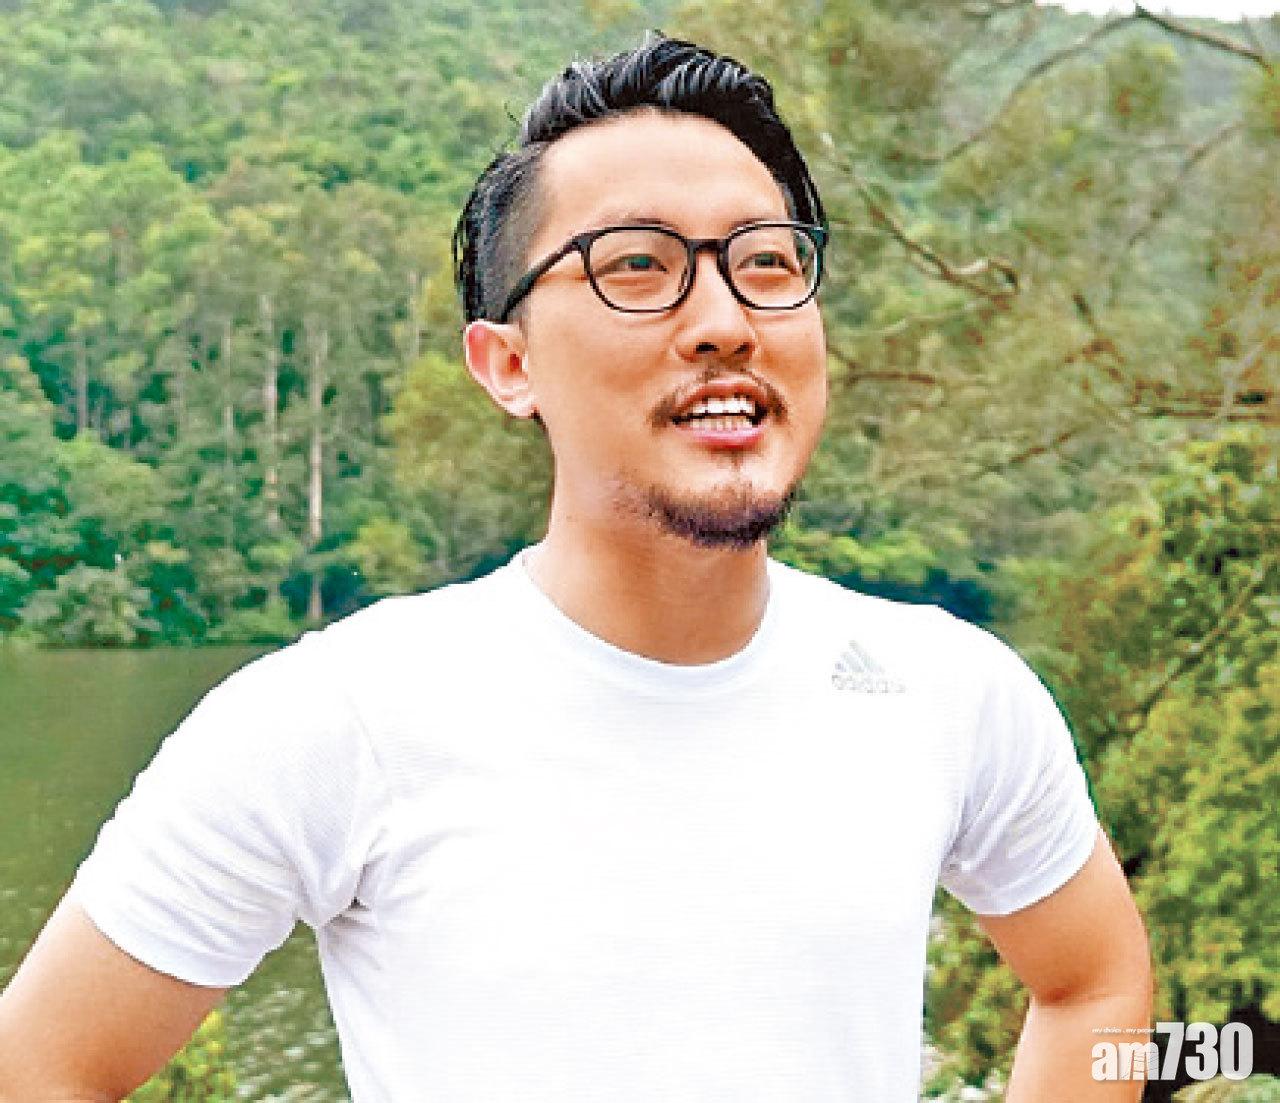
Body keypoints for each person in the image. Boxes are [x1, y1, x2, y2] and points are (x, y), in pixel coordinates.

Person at [0, 33, 1151, 1103]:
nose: (724, 320)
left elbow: (1092, 980)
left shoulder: (948, 691)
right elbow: (42, 1067)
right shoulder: (337, 718)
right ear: (507, 364)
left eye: (764, 261)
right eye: (636, 265)